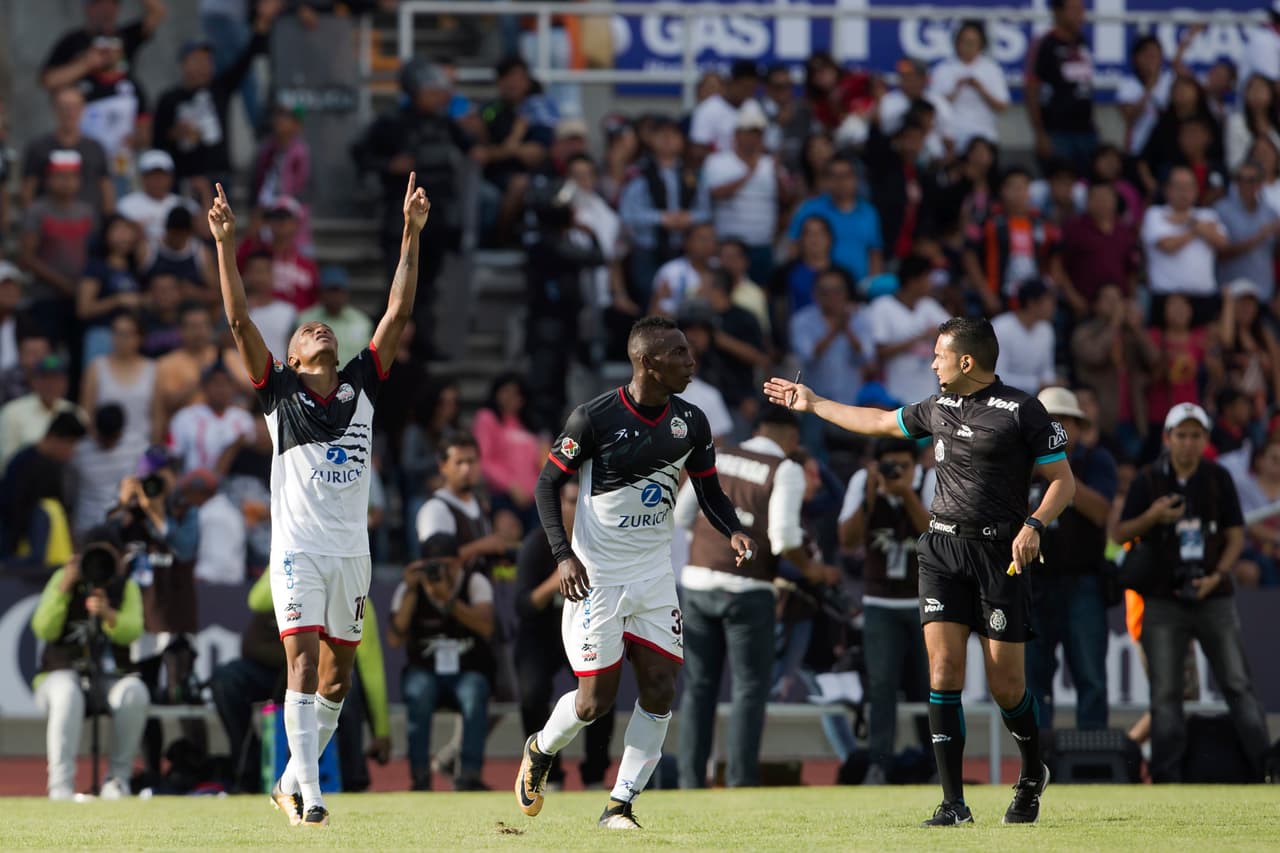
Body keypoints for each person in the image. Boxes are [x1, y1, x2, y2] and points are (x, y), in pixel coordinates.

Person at [763, 315, 1076, 825]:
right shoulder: (938, 407)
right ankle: (954, 802)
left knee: (1007, 687)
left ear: (967, 361)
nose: (931, 363)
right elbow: (879, 421)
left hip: (1001, 558)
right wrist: (815, 403)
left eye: (938, 355)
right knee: (944, 670)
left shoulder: (1024, 410)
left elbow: (1063, 482)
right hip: (941, 552)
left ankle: (1030, 771)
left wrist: (1035, 523)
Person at [208, 170, 429, 825]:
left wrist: (410, 234)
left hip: (351, 556)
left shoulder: (362, 382)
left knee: (337, 680)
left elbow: (398, 313)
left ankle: (288, 780)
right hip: (299, 550)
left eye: (325, 329)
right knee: (301, 664)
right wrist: (225, 245)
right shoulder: (279, 394)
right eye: (308, 331)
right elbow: (239, 317)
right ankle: (311, 795)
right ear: (297, 355)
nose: (320, 331)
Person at [515, 316, 756, 829]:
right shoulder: (593, 418)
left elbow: (709, 490)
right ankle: (540, 748)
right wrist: (563, 555)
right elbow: (545, 485)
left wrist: (732, 528)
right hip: (596, 578)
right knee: (593, 703)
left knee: (661, 689)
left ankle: (619, 805)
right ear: (647, 362)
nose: (691, 362)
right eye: (680, 354)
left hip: (652, 576)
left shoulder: (691, 421)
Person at [1113, 403, 1272, 782]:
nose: (1187, 443)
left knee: (1237, 684)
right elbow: (1119, 534)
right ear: (1167, 439)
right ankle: (1168, 778)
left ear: (1205, 440)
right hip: (1162, 599)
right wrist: (1153, 517)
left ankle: (1267, 768)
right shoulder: (1149, 479)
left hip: (1213, 594)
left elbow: (1236, 534)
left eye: (1195, 435)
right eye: (1180, 435)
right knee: (1166, 694)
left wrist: (1218, 575)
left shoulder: (1218, 478)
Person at [673, 406, 810, 789]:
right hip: (750, 590)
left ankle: (689, 782)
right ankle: (740, 780)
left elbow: (683, 516)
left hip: (698, 582)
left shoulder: (718, 454)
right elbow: (784, 537)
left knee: (699, 688)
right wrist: (812, 569)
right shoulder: (784, 468)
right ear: (791, 437)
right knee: (749, 690)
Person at [838, 437, 936, 785]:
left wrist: (906, 493)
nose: (896, 473)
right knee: (881, 686)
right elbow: (847, 542)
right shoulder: (862, 483)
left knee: (931, 685)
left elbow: (935, 536)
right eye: (889, 466)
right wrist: (871, 495)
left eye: (904, 466)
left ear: (916, 464)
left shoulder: (929, 480)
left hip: (924, 601)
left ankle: (936, 764)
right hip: (880, 603)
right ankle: (879, 764)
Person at [28, 525, 149, 800]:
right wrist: (64, 587)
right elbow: (43, 628)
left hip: (109, 678)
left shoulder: (126, 586)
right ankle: (60, 786)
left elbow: (133, 630)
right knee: (67, 693)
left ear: (119, 558)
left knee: (135, 692)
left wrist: (108, 614)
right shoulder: (64, 579)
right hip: (59, 675)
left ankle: (118, 781)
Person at [513, 478, 615, 790]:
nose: (576, 509)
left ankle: (595, 774)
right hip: (540, 636)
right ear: (558, 505)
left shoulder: (602, 545)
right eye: (570, 502)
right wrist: (562, 571)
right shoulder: (536, 544)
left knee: (600, 694)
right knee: (531, 694)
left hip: (584, 630)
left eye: (582, 502)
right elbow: (523, 606)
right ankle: (548, 773)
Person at [1025, 388, 1116, 733]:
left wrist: (1059, 476)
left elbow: (1101, 511)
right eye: (1049, 420)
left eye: (1064, 420)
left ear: (1079, 427)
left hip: (1083, 583)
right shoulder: (1018, 464)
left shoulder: (1097, 461)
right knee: (1033, 679)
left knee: (1090, 675)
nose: (1056, 427)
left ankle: (1093, 761)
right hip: (1033, 584)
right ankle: (1037, 762)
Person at [388, 533, 496, 790]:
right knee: (419, 691)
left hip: (466, 668)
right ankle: (420, 777)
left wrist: (448, 600)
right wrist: (413, 591)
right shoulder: (410, 588)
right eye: (434, 565)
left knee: (473, 692)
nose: (440, 571)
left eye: (447, 565)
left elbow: (487, 627)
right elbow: (394, 638)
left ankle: (469, 775)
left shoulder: (474, 582)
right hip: (425, 670)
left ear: (459, 562)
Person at [699, 102, 785, 284]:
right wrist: (749, 173)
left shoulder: (771, 163)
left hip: (762, 244)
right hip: (727, 245)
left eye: (757, 133)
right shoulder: (717, 161)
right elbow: (716, 193)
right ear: (737, 134)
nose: (753, 138)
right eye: (748, 133)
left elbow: (785, 199)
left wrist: (778, 175)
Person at [1141, 165, 1229, 326]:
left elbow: (1222, 243)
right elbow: (1167, 245)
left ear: (1196, 190)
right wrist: (1196, 228)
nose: (1184, 192)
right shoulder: (1155, 214)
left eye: (1189, 186)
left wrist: (1189, 223)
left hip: (1203, 297)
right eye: (1179, 187)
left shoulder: (1208, 214)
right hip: (1166, 297)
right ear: (1167, 189)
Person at [413, 432, 514, 565]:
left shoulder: (479, 505)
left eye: (471, 461)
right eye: (459, 462)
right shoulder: (435, 509)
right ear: (443, 466)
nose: (466, 469)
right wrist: (483, 546)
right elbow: (436, 563)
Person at [864, 254, 951, 407]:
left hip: (928, 395)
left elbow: (957, 331)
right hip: (893, 395)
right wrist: (919, 338)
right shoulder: (883, 306)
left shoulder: (928, 305)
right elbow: (880, 351)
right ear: (913, 281)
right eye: (926, 278)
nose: (930, 283)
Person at [786, 156, 884, 285]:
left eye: (845, 176)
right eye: (834, 176)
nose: (840, 182)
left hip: (859, 288)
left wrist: (873, 286)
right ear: (826, 181)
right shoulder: (810, 208)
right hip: (819, 289)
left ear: (855, 179)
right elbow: (794, 247)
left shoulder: (869, 212)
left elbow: (875, 254)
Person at [1025, 0, 1097, 172]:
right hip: (1057, 133)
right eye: (1074, 9)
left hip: (1086, 131)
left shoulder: (1082, 41)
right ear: (1058, 12)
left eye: (1081, 9)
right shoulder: (1045, 44)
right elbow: (1031, 89)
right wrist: (1040, 133)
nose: (1081, 15)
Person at [20, 86, 114, 217]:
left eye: (75, 107)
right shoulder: (38, 147)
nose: (69, 112)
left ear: (83, 109)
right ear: (54, 109)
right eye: (64, 107)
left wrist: (108, 221)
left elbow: (106, 187)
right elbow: (28, 189)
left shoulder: (95, 147)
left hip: (89, 225)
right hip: (49, 225)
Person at [0, 353, 81, 469]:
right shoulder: (11, 412)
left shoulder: (75, 413)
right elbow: (6, 462)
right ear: (33, 381)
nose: (50, 384)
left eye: (56, 378)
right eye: (44, 378)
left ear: (65, 382)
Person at [1214, 160, 1280, 302]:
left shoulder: (1271, 213)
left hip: (1264, 293)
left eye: (1250, 180)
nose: (1244, 184)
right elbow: (1221, 253)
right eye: (1240, 179)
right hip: (1231, 293)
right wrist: (1258, 237)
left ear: (1261, 183)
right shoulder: (1221, 210)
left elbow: (1274, 253)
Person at [991, 279, 1058, 394]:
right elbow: (996, 377)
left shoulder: (1046, 329)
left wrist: (1050, 383)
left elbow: (1047, 370)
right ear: (1032, 303)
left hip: (1035, 397)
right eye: (1048, 300)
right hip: (1002, 398)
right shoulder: (1000, 328)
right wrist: (1037, 384)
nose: (1053, 306)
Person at [297, 267, 372, 370]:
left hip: (353, 382)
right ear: (321, 293)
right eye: (330, 291)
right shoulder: (305, 320)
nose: (335, 296)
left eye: (338, 291)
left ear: (346, 293)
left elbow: (367, 359)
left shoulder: (362, 322)